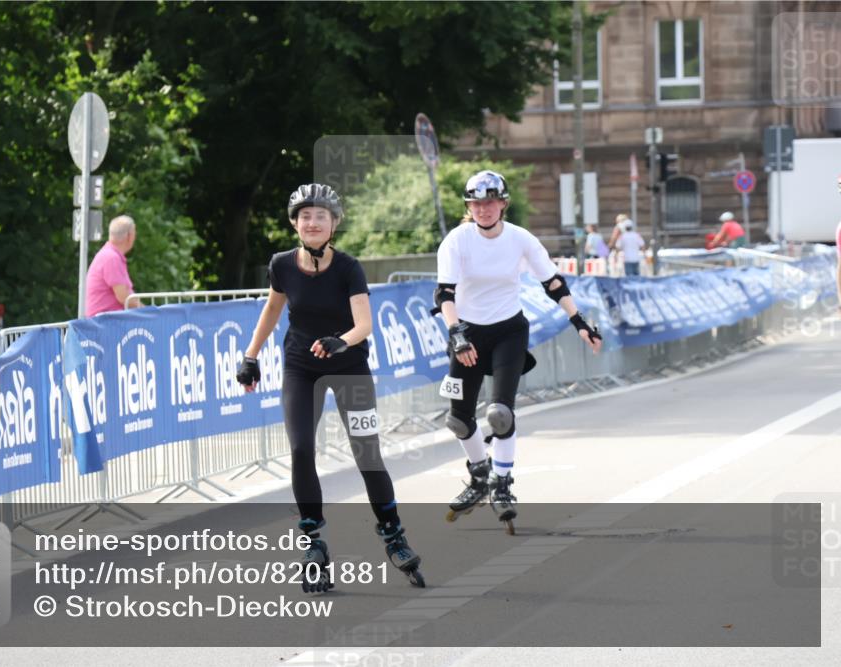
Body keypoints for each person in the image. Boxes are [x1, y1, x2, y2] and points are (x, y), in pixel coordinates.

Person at [236, 183, 424, 590]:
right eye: (305, 216)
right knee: (302, 449)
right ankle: (312, 541)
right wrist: (250, 356)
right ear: (294, 223)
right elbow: (272, 308)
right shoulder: (282, 264)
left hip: (349, 366)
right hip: (301, 368)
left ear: (334, 224)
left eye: (321, 216)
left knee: (366, 453)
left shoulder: (348, 267)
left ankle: (393, 532)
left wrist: (343, 340)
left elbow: (364, 324)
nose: (313, 222)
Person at [435, 170, 603, 533]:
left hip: (509, 331)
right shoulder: (457, 241)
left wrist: (580, 322)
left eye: (490, 202)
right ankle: (480, 475)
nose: (483, 209)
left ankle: (502, 484)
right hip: (467, 334)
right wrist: (457, 335)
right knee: (458, 419)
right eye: (476, 204)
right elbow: (444, 294)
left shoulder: (519, 239)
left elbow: (553, 283)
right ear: (469, 206)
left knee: (499, 414)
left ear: (503, 204)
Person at [85, 215, 143, 317]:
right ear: (129, 236)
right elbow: (123, 296)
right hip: (107, 324)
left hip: (105, 322)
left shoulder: (108, 255)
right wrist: (148, 312)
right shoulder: (112, 258)